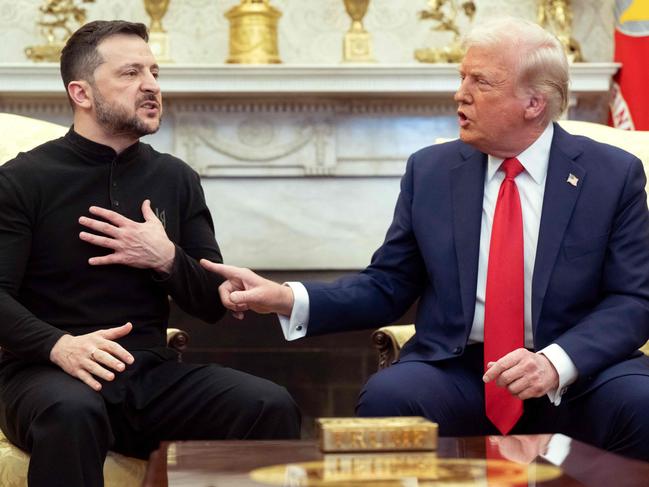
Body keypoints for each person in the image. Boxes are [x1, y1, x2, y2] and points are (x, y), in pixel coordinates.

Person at [201, 16, 649, 461]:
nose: (460, 93)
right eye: (461, 77)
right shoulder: (432, 172)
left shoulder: (612, 174)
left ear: (533, 102)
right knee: (390, 399)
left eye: (481, 81)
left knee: (641, 405)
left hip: (577, 371)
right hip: (462, 368)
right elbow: (387, 284)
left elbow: (632, 300)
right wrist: (284, 297)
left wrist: (555, 362)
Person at [0, 20, 300, 487]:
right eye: (131, 73)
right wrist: (60, 346)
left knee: (268, 404)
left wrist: (165, 259)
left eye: (155, 73)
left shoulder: (176, 179)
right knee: (72, 410)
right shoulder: (21, 180)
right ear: (81, 93)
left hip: (147, 374)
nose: (151, 86)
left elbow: (207, 302)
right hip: (45, 374)